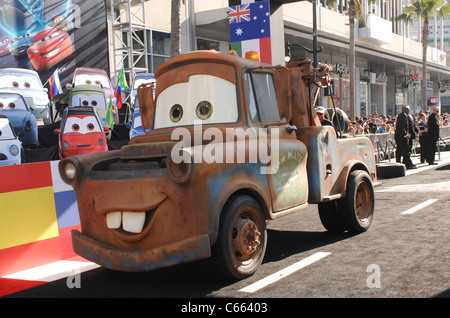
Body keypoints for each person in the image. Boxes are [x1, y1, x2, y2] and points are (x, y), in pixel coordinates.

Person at [394, 105, 416, 169]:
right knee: (405, 150)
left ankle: (399, 163)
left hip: (399, 136)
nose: (409, 111)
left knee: (400, 150)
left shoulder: (402, 115)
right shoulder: (403, 115)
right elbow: (401, 127)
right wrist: (405, 134)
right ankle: (408, 164)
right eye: (408, 110)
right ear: (405, 110)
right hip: (401, 137)